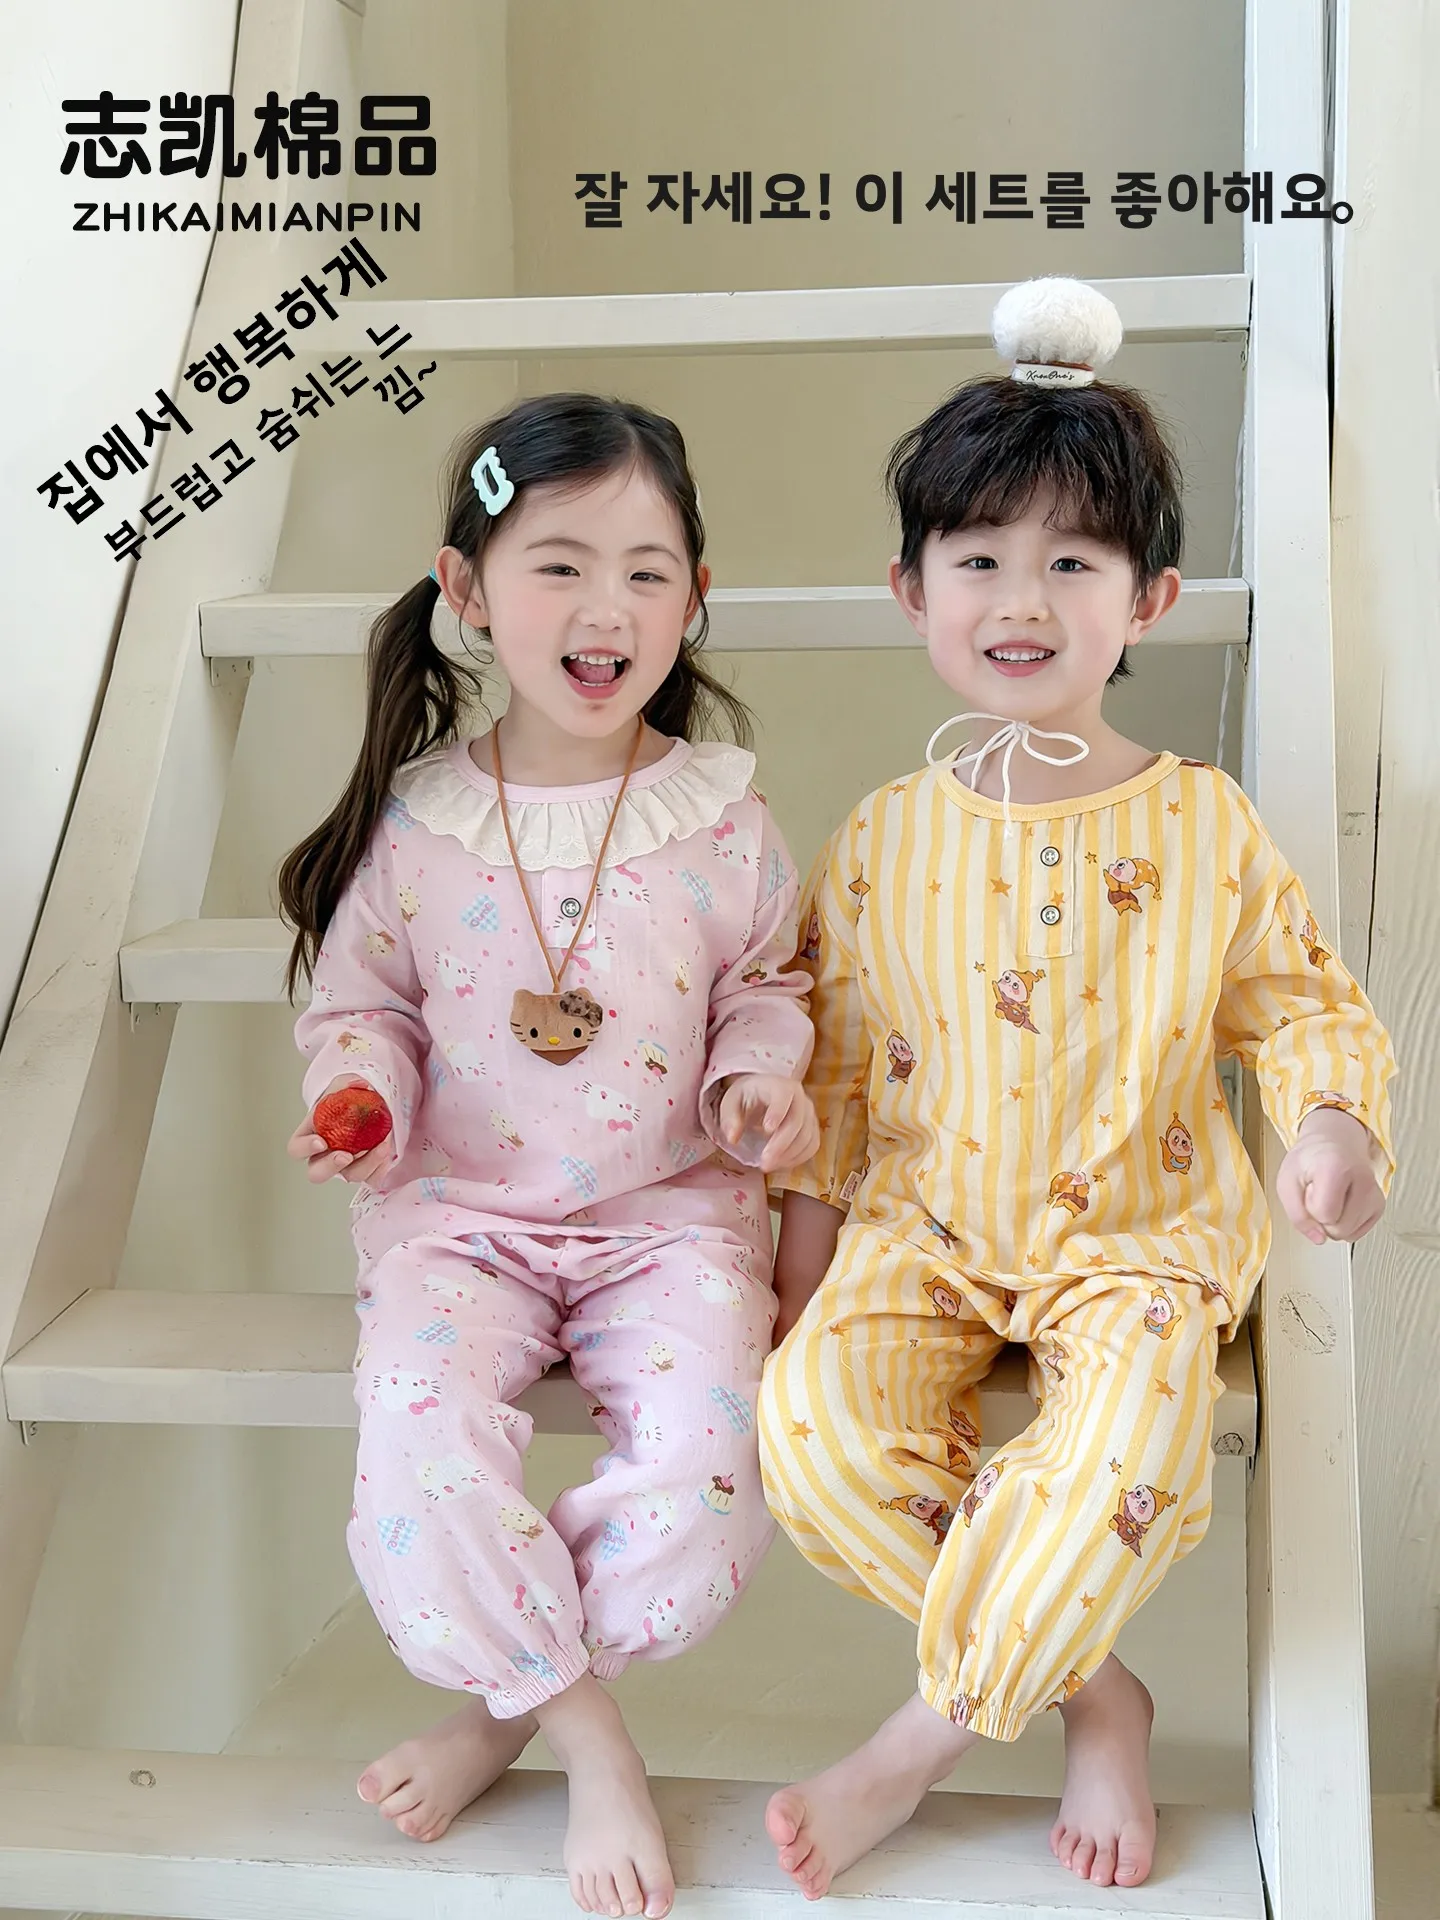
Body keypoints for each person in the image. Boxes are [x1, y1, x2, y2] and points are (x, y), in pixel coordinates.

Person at [756, 278, 1397, 1901]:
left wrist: (1331, 1123)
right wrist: (804, 1262)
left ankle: (925, 1736)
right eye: (977, 558)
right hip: (924, 1226)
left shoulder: (1201, 824)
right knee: (813, 1437)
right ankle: (1096, 1690)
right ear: (910, 589)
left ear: (1149, 598)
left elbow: (1299, 1004)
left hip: (1140, 1236)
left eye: (1072, 562)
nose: (1020, 598)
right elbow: (833, 1063)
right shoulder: (883, 836)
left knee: (1125, 1448)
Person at [281, 392, 817, 1920]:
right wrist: (360, 1097)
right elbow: (366, 1007)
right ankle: (583, 1731)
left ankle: (501, 1708)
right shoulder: (419, 825)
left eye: (648, 571)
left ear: (696, 597)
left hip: (670, 1223)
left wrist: (758, 1082)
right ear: (465, 588)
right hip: (457, 1221)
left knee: (709, 1480)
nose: (606, 608)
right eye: (560, 566)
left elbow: (768, 987)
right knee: (419, 1437)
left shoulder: (724, 818)